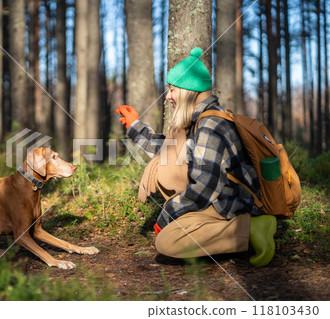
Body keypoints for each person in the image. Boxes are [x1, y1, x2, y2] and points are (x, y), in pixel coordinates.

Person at [115, 47, 276, 267]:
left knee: (168, 242)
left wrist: (168, 213)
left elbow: (206, 186)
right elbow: (171, 152)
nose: (168, 96)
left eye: (172, 90)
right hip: (218, 200)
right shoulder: (199, 120)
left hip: (228, 205)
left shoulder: (210, 125)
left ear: (188, 91)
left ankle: (250, 229)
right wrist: (135, 126)